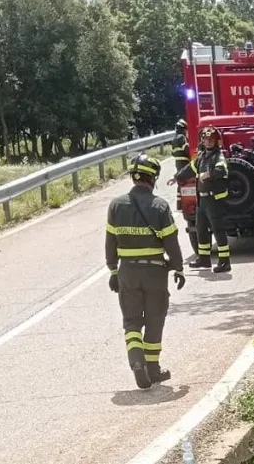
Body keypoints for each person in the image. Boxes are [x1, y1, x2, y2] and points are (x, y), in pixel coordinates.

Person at [106, 154, 186, 389]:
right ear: (153, 178)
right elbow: (172, 242)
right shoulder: (160, 206)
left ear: (133, 176)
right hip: (155, 274)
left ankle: (136, 362)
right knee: (154, 320)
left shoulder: (116, 206)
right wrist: (179, 268)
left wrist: (113, 271)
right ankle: (153, 368)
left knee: (131, 322)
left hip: (128, 273)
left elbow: (110, 243)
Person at [171, 125, 231, 273]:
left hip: (214, 200)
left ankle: (225, 262)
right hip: (202, 201)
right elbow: (189, 169)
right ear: (202, 140)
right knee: (201, 230)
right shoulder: (201, 157)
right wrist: (176, 178)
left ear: (216, 141)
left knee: (218, 230)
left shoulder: (219, 156)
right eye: (206, 139)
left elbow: (222, 169)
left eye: (211, 139)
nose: (208, 142)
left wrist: (209, 174)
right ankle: (204, 259)